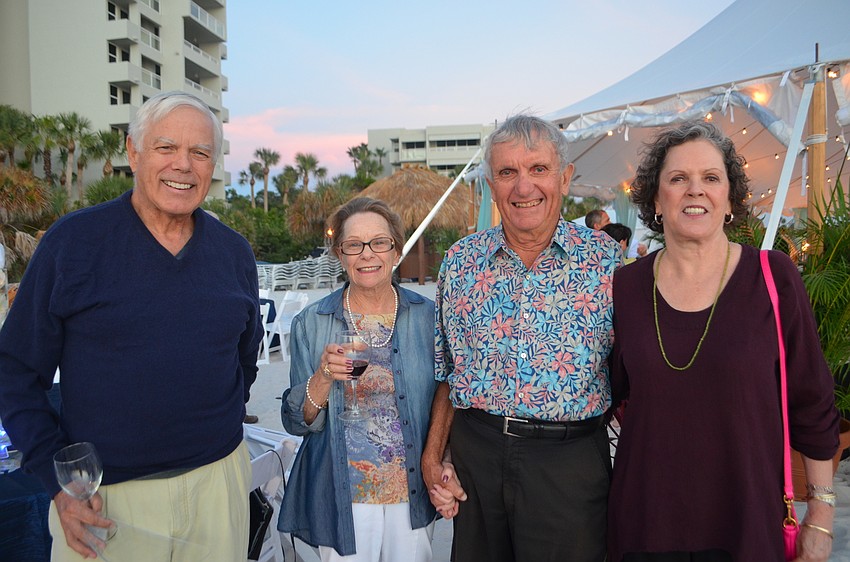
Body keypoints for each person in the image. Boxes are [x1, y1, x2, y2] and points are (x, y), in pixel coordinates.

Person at [0, 91, 262, 561]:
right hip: (108, 503)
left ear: (213, 164)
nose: (183, 165)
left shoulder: (234, 253)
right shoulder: (73, 244)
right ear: (134, 152)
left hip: (218, 488)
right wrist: (57, 483)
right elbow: (15, 371)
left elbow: (244, 358)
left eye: (200, 153)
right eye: (166, 148)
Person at [608, 121, 839, 562]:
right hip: (644, 527)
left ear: (730, 198)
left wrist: (821, 518)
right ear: (656, 200)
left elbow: (812, 403)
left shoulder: (773, 278)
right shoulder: (624, 287)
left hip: (749, 527)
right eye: (678, 179)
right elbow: (602, 395)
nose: (696, 190)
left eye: (711, 178)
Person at [421, 114, 622, 562]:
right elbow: (449, 373)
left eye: (538, 169)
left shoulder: (607, 263)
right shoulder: (460, 262)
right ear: (492, 184)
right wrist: (433, 457)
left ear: (565, 177)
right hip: (478, 461)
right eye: (508, 172)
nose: (523, 187)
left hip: (568, 466)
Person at [279, 197, 439, 561]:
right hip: (342, 493)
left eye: (379, 242)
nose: (367, 254)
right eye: (354, 245)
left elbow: (446, 399)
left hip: (410, 489)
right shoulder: (313, 321)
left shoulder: (428, 317)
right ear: (340, 255)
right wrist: (322, 376)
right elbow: (297, 422)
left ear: (396, 250)